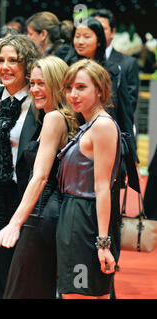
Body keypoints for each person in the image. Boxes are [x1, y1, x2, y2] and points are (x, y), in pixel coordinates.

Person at [0, 56, 79, 298]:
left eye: (43, 84)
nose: (35, 90)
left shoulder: (53, 119)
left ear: (58, 85)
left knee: (23, 290)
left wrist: (15, 223)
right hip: (52, 214)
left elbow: (40, 177)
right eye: (33, 83)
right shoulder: (64, 117)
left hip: (41, 216)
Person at [0, 35, 42, 298]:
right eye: (0, 60)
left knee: (23, 270)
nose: (5, 66)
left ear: (27, 65)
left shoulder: (40, 104)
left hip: (25, 196)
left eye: (13, 60)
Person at [56, 59, 122, 299]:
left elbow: (103, 187)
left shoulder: (102, 126)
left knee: (80, 293)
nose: (73, 94)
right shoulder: (90, 125)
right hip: (76, 216)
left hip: (85, 220)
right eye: (69, 87)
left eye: (81, 87)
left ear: (100, 90)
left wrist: (103, 244)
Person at [61, 17, 136, 162]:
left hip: (104, 138)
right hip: (70, 137)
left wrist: (132, 157)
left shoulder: (112, 71)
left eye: (87, 37)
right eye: (77, 36)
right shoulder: (66, 67)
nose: (80, 41)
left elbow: (124, 114)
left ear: (99, 40)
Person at [90, 9, 140, 116]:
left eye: (102, 29)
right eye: (94, 29)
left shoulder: (128, 63)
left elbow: (129, 105)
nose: (98, 33)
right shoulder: (79, 61)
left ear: (113, 32)